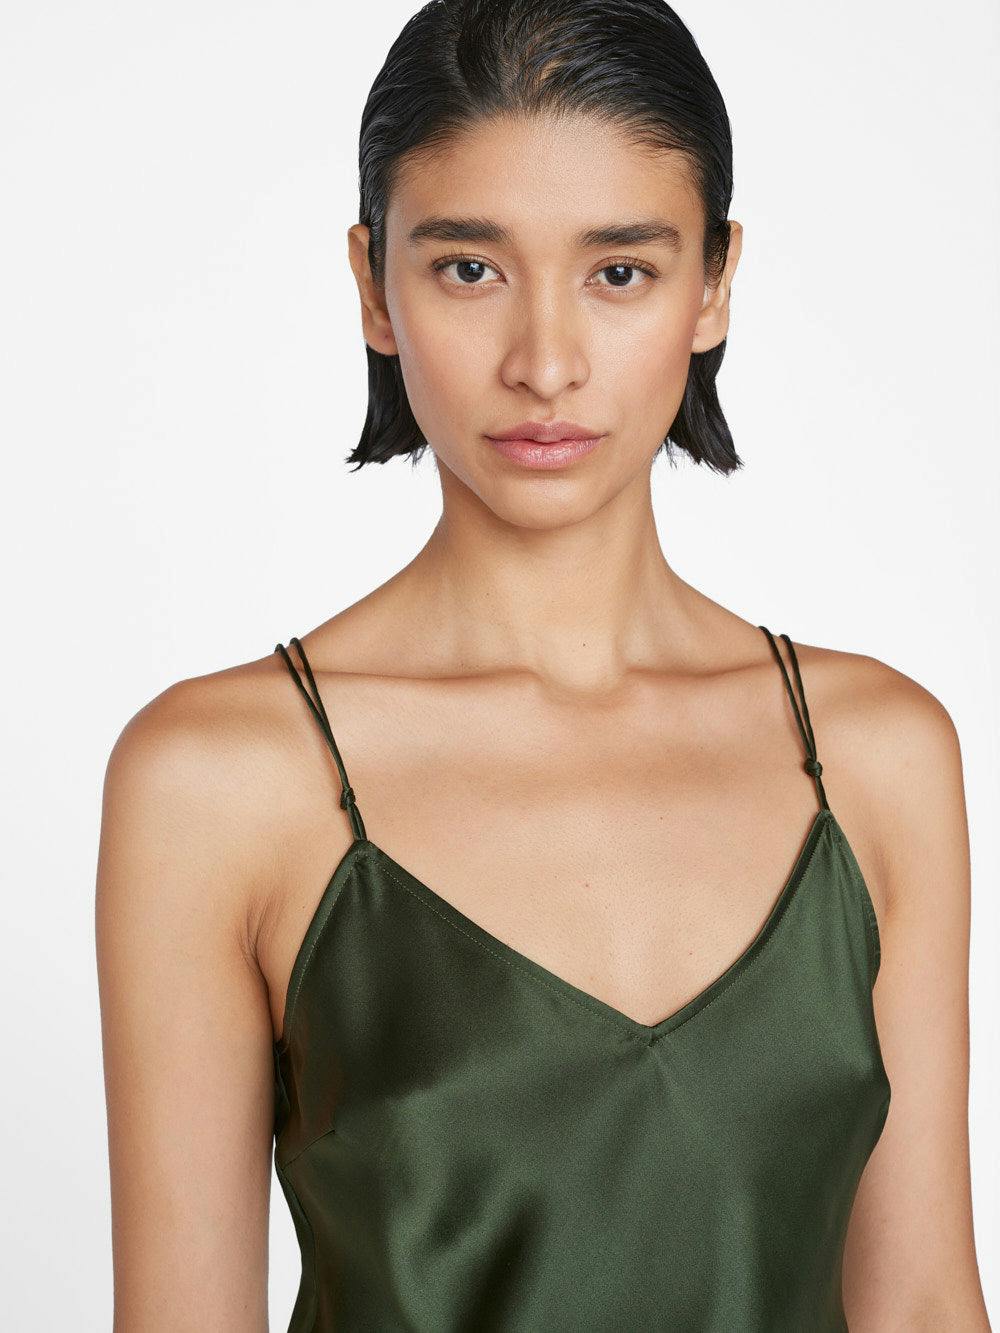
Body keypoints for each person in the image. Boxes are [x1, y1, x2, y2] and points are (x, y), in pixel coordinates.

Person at [95, 1, 990, 1328]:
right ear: (373, 284)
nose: (546, 364)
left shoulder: (877, 757)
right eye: (471, 268)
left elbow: (920, 1303)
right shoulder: (220, 781)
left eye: (619, 271)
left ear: (715, 283)